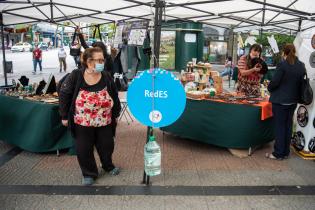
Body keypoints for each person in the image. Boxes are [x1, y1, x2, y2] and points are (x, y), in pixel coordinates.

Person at [59, 47, 121, 185]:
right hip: (83, 121)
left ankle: (107, 165)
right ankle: (89, 173)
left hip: (104, 120)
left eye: (102, 60)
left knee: (107, 145)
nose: (101, 63)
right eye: (98, 60)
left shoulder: (106, 76)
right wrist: (64, 116)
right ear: (88, 61)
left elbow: (114, 95)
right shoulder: (76, 75)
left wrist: (115, 113)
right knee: (84, 148)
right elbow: (64, 93)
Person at [266, 44, 306, 160]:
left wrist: (269, 88)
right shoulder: (301, 66)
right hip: (293, 101)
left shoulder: (282, 65)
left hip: (280, 101)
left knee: (280, 127)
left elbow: (275, 82)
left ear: (284, 52)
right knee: (288, 127)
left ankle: (278, 153)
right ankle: (285, 152)